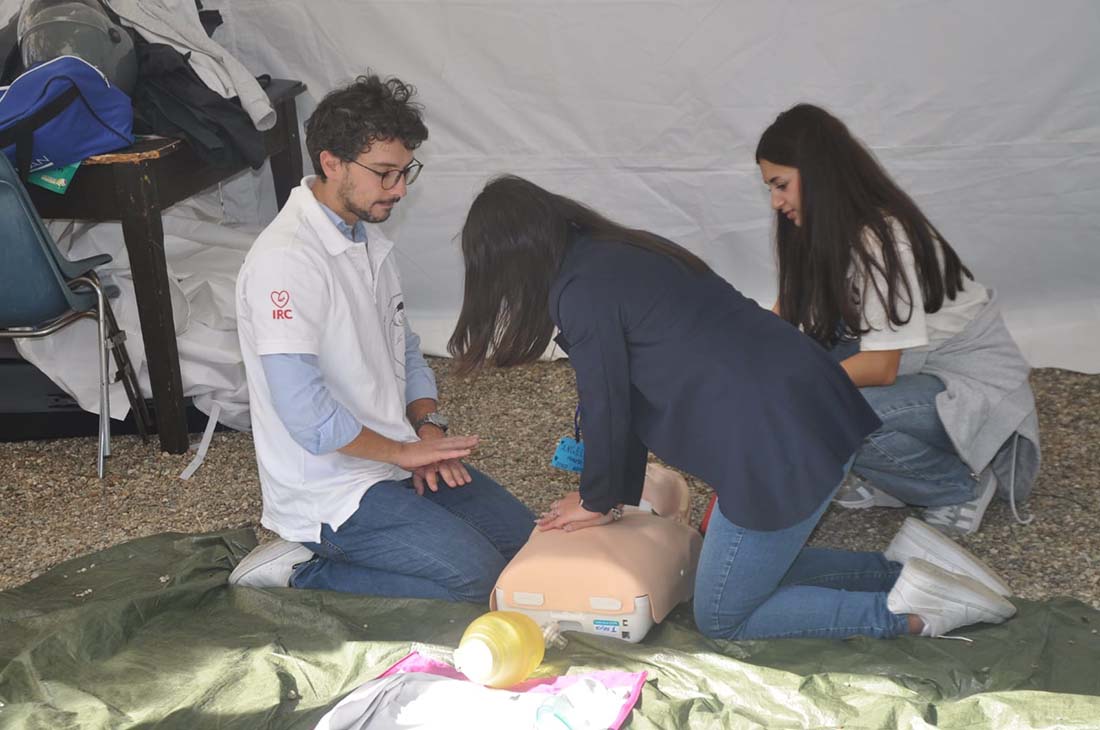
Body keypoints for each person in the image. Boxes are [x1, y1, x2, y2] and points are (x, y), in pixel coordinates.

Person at [447, 175, 1017, 640]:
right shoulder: (620, 250)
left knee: (723, 614)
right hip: (807, 400)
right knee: (730, 573)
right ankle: (915, 572)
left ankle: (916, 616)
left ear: (510, 259)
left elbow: (608, 404)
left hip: (775, 439)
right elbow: (625, 393)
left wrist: (598, 501)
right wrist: (610, 497)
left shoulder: (581, 290)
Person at [228, 74, 534, 602]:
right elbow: (305, 412)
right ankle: (299, 569)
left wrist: (428, 429)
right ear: (331, 163)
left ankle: (377, 529)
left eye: (405, 171)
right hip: (331, 490)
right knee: (476, 582)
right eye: (385, 173)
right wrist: (399, 453)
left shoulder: (367, 236)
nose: (400, 188)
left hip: (394, 456)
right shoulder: (285, 262)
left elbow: (405, 347)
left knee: (526, 549)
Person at [756, 104, 1040, 536]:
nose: (776, 202)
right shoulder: (821, 232)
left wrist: (795, 393)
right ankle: (893, 474)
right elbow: (784, 318)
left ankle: (957, 487)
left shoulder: (882, 240)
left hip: (969, 383)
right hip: (918, 366)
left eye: (781, 185)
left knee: (833, 409)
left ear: (819, 173)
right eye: (771, 189)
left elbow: (880, 368)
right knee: (800, 369)